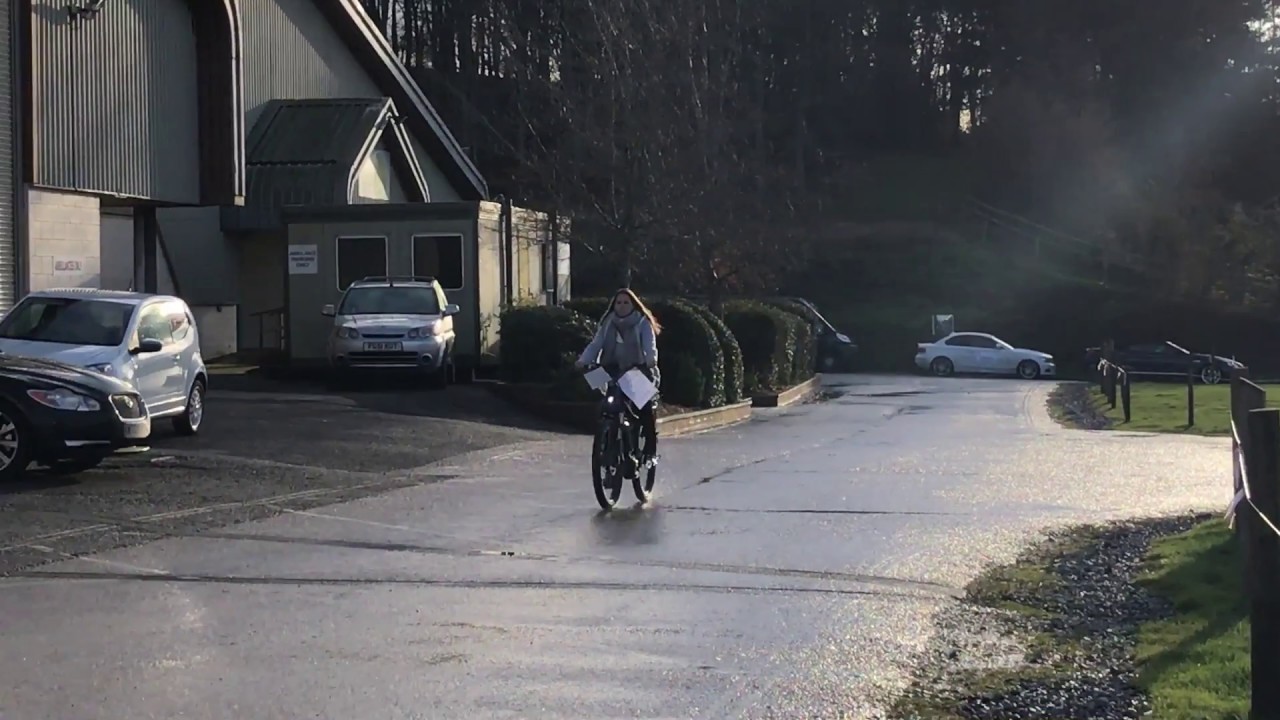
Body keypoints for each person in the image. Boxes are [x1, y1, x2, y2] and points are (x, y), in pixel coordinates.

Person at [575, 288, 661, 462]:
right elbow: (595, 344)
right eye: (618, 303)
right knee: (594, 388)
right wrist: (583, 361)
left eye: (626, 303)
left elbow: (650, 346)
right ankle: (605, 431)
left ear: (634, 305)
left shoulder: (642, 322)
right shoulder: (607, 322)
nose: (621, 306)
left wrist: (651, 360)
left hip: (636, 369)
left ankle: (650, 450)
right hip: (610, 367)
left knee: (644, 407)